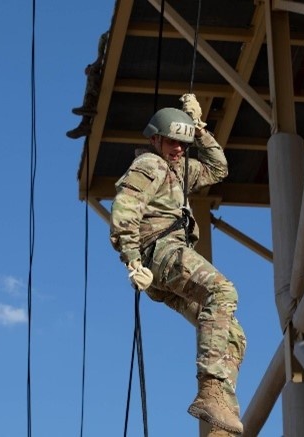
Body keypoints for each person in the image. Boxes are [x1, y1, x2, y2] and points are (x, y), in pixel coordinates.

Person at [109, 94, 246, 435]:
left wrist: (199, 129)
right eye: (173, 141)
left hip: (166, 267)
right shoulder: (150, 165)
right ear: (155, 139)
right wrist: (131, 260)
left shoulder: (181, 170)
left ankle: (219, 422)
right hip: (161, 252)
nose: (179, 149)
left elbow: (219, 168)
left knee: (232, 334)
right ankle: (210, 391)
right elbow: (125, 210)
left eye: (183, 144)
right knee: (222, 290)